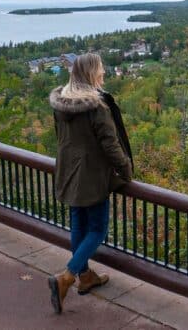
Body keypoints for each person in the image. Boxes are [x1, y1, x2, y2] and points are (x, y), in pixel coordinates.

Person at [47, 53, 133, 314]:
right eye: (100, 69)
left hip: (69, 173)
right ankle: (68, 276)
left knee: (78, 224)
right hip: (92, 176)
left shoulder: (61, 104)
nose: (103, 73)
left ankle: (85, 278)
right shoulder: (97, 106)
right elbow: (110, 144)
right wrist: (125, 169)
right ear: (91, 73)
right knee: (97, 229)